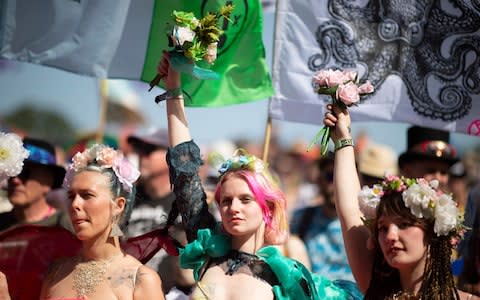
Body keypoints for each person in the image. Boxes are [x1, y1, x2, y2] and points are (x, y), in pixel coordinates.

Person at [158, 52, 361, 299]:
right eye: (226, 200)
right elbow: (184, 168)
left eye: (245, 199)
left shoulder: (285, 275)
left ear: (267, 207)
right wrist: (173, 86)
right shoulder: (207, 247)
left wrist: (344, 139)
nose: (233, 207)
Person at [323, 103, 478, 299]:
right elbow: (352, 211)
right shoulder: (378, 290)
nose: (390, 235)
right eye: (382, 227)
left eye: (404, 224)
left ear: (433, 232)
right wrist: (343, 140)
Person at [39, 144, 164, 299]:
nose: (75, 205)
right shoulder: (56, 273)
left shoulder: (140, 280)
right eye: (71, 196)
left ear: (118, 206)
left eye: (87, 195)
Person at [127, 128, 194, 293]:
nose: (142, 156)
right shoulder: (126, 200)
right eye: (139, 150)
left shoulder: (187, 203)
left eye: (149, 150)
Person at [290, 153, 354, 281]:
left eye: (342, 178)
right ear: (319, 180)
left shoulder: (364, 223)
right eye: (331, 177)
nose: (337, 184)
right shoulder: (302, 217)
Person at [0, 137, 71, 232]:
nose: (15, 180)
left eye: (26, 173)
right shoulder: (1, 223)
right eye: (12, 173)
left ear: (48, 182)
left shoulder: (66, 226)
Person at [398, 125, 459, 191]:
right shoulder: (391, 201)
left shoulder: (456, 201)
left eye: (443, 172)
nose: (438, 179)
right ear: (407, 171)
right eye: (431, 171)